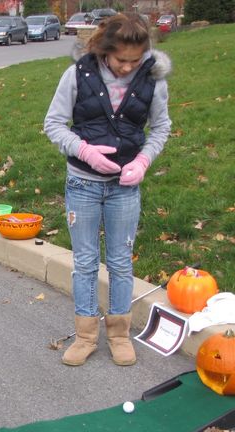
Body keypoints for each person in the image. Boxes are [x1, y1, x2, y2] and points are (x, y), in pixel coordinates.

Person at [43, 14, 171, 367]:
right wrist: (83, 150)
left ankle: (118, 333)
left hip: (124, 189)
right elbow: (53, 124)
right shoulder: (77, 75)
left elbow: (160, 128)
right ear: (103, 50)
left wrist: (142, 162)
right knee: (85, 262)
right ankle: (85, 335)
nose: (128, 67)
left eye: (135, 60)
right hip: (83, 183)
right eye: (120, 60)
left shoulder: (153, 79)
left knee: (118, 261)